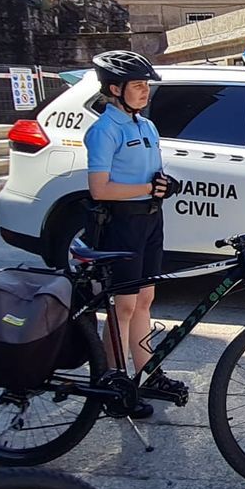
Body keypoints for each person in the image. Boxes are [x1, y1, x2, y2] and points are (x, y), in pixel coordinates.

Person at [84, 50, 187, 418]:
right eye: (138, 86)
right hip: (121, 222)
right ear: (115, 88)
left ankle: (146, 374)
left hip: (150, 221)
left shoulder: (146, 125)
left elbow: (153, 175)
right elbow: (100, 188)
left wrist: (164, 185)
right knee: (122, 306)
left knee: (144, 300)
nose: (145, 92)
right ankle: (112, 383)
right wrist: (147, 189)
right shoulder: (104, 130)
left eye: (146, 86)